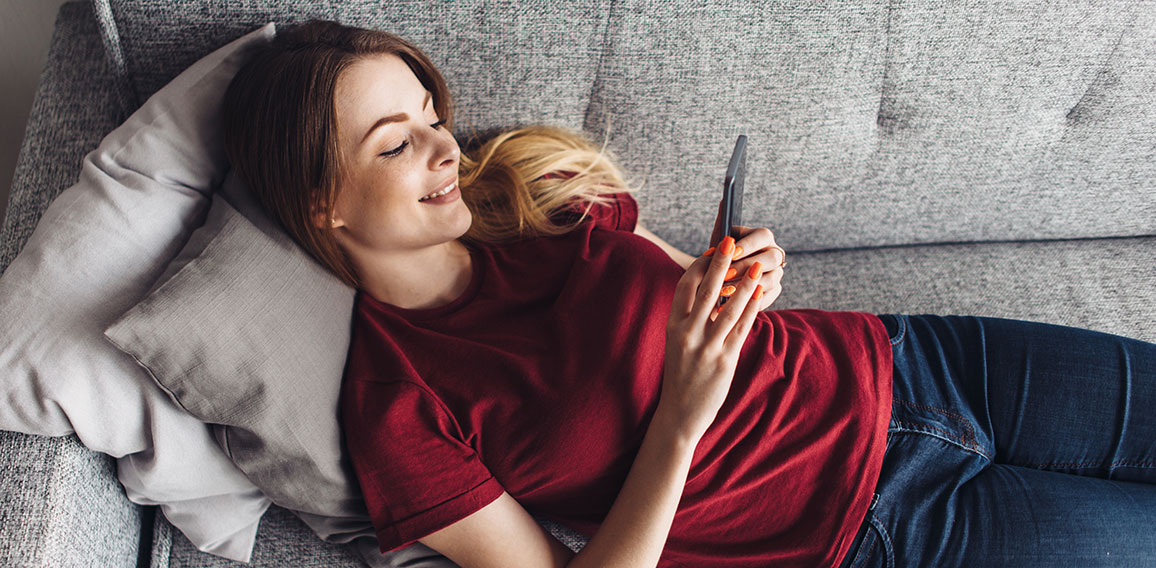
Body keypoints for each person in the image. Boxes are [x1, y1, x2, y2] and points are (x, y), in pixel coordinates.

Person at [221, 20, 1156, 568]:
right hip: (878, 519)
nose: (443, 149)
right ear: (320, 202)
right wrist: (680, 415)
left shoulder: (531, 197)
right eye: (394, 143)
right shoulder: (400, 410)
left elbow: (694, 291)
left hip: (923, 361)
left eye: (432, 116)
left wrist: (743, 277)